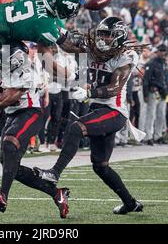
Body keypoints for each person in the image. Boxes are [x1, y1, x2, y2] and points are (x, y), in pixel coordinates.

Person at [33, 17, 144, 215]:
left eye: (107, 35)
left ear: (119, 36)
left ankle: (54, 173)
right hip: (98, 112)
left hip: (113, 112)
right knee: (100, 166)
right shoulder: (91, 50)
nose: (102, 38)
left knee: (76, 127)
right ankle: (130, 203)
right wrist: (49, 27)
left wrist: (90, 93)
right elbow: (66, 42)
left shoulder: (126, 57)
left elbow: (114, 87)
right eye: (100, 34)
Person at [0, 42, 71, 218]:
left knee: (10, 145)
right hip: (12, 116)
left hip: (30, 113)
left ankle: (3, 195)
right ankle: (56, 194)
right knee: (9, 164)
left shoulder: (27, 72)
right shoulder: (0, 69)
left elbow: (1, 101)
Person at [143, 44, 168, 145]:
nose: (163, 53)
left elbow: (166, 78)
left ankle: (158, 136)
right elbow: (146, 79)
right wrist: (145, 94)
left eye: (164, 51)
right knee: (151, 115)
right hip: (153, 91)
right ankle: (148, 137)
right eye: (161, 51)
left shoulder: (165, 63)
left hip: (162, 92)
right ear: (157, 52)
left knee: (161, 115)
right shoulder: (152, 63)